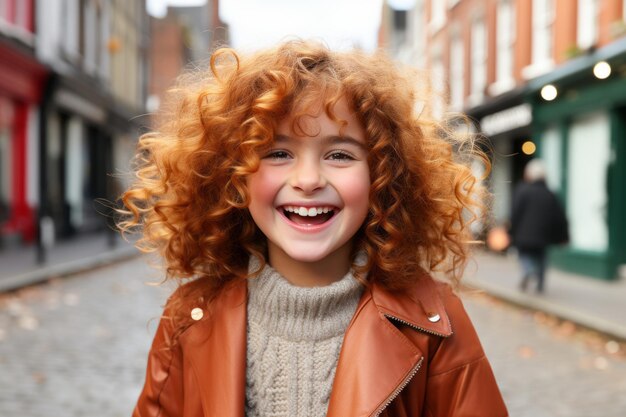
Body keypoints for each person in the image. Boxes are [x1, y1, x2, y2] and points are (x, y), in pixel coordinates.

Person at [119, 40, 508, 417]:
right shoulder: (188, 317)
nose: (307, 179)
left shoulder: (433, 324)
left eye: (339, 154)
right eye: (278, 153)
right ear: (233, 177)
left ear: (384, 177)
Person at [510, 159, 569, 293]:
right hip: (544, 235)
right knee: (542, 257)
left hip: (523, 234)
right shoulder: (550, 193)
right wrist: (564, 236)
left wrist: (511, 231)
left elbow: (515, 212)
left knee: (524, 254)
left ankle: (528, 270)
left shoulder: (522, 191)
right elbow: (560, 217)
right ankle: (540, 284)